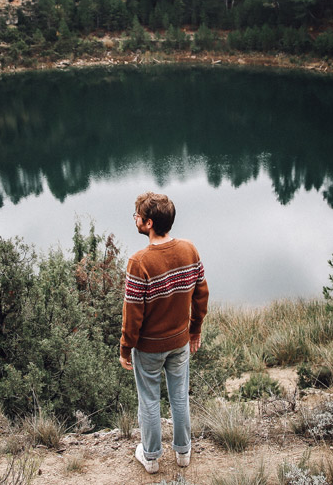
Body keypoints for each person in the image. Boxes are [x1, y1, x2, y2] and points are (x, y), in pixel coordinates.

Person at [120, 191, 209, 474]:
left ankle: (151, 458)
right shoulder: (189, 250)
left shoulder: (139, 262)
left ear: (148, 223)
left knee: (149, 400)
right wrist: (195, 330)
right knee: (179, 396)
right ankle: (183, 452)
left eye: (137, 216)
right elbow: (201, 295)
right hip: (180, 341)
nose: (135, 219)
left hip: (148, 347)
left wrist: (125, 348)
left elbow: (133, 313)